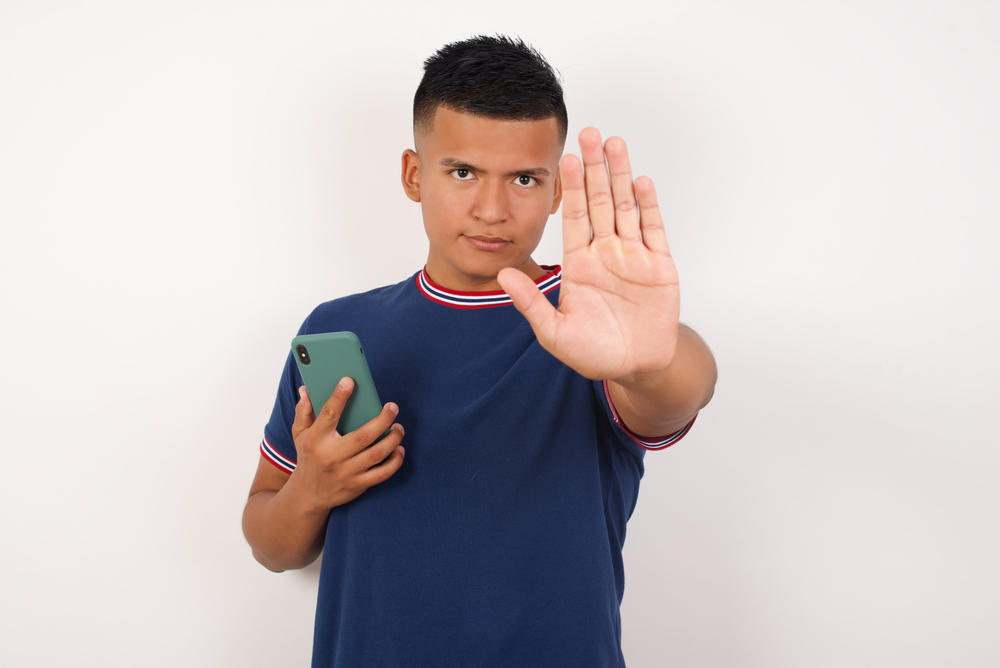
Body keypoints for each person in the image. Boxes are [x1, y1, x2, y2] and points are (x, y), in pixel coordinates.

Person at [242, 35, 717, 667]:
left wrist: (647, 359)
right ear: (415, 175)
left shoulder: (585, 325)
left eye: (524, 178)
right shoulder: (340, 331)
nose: (492, 209)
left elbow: (679, 391)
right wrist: (313, 488)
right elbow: (272, 544)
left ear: (555, 192)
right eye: (462, 171)